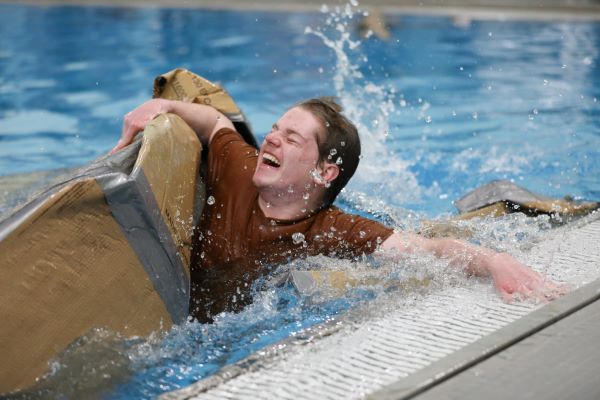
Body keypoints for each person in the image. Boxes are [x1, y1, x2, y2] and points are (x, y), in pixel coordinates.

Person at [114, 97, 563, 322]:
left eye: (291, 139)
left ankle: (501, 204)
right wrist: (165, 106)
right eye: (275, 128)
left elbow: (426, 247)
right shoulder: (238, 166)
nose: (270, 139)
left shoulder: (330, 229)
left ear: (324, 174)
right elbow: (214, 122)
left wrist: (495, 261)